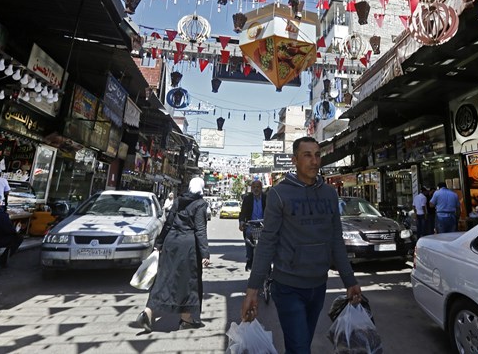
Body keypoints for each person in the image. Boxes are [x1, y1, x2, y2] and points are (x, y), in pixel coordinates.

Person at [240, 137, 362, 354]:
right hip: (288, 286)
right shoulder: (279, 194)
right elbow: (267, 242)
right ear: (294, 160)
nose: (314, 161)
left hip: (318, 285)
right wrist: (253, 289)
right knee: (299, 348)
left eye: (317, 155)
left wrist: (349, 280)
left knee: (301, 344)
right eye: (307, 155)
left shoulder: (329, 194)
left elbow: (335, 238)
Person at [137, 177, 210, 333]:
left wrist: (160, 243)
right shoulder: (200, 204)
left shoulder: (178, 201)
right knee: (188, 281)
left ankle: (147, 313)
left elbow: (168, 223)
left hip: (171, 242)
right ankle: (186, 318)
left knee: (164, 278)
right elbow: (200, 230)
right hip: (188, 247)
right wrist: (205, 253)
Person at [238, 179, 267, 271]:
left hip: (264, 225)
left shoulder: (266, 198)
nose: (256, 189)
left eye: (258, 187)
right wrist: (242, 222)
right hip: (251, 224)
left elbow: (271, 211)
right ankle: (249, 258)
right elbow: (243, 212)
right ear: (251, 189)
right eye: (254, 187)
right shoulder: (248, 198)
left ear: (261, 188)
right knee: (248, 236)